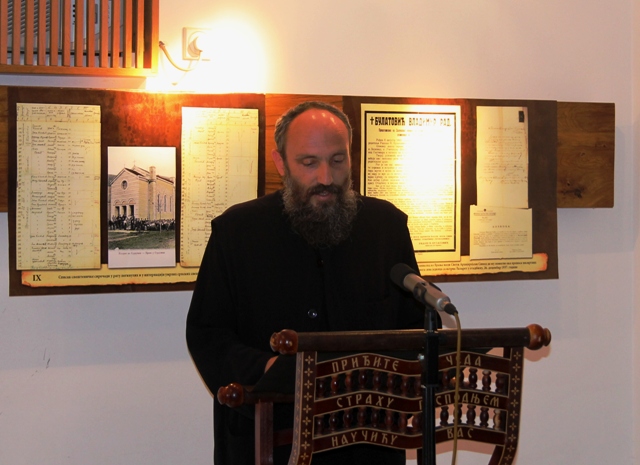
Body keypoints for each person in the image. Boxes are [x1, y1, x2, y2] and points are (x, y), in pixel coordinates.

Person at [186, 101, 425, 465]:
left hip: (366, 444)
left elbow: (414, 329)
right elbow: (208, 335)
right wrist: (267, 369)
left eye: (337, 160)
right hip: (267, 440)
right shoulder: (236, 232)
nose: (326, 177)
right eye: (309, 162)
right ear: (281, 162)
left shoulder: (386, 227)